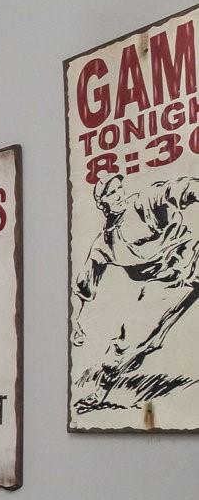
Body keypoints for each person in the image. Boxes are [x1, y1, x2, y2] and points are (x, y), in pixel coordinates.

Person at [72, 174, 199, 406]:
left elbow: (175, 188)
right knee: (133, 339)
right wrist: (75, 321)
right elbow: (83, 285)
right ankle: (101, 391)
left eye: (120, 188)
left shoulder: (142, 203)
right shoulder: (104, 243)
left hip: (192, 256)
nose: (119, 195)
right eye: (111, 193)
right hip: (165, 283)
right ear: (102, 203)